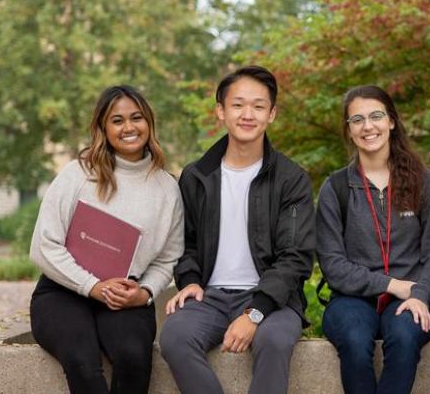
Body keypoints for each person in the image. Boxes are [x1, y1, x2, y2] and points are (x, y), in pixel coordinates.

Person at [159, 65, 315, 394]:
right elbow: (184, 242)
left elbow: (295, 256)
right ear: (221, 111)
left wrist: (255, 312)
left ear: (271, 114)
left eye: (258, 106)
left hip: (274, 300)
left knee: (274, 340)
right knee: (175, 336)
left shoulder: (291, 178)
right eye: (238, 104)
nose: (247, 114)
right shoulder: (196, 176)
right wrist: (189, 280)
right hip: (210, 297)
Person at [28, 85, 183, 393]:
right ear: (103, 128)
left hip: (125, 294)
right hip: (63, 291)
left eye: (136, 117)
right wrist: (93, 286)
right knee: (81, 360)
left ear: (149, 122)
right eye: (117, 120)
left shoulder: (167, 188)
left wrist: (145, 293)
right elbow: (43, 246)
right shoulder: (77, 174)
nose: (129, 127)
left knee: (133, 356)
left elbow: (169, 257)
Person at [317, 85, 430, 394]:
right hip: (351, 299)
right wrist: (391, 285)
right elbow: (333, 265)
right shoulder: (335, 187)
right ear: (349, 130)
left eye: (376, 116)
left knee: (404, 336)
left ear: (391, 121)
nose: (368, 126)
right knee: (354, 338)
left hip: (413, 296)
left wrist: (419, 294)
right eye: (357, 119)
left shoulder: (423, 181)